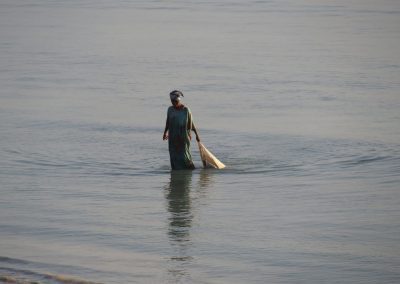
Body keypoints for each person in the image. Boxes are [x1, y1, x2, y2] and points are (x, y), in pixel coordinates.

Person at [163, 90, 200, 170]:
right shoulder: (170, 110)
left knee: (185, 156)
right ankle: (176, 175)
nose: (173, 103)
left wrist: (197, 135)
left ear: (179, 100)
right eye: (172, 101)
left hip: (183, 138)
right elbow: (168, 122)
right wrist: (165, 132)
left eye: (175, 101)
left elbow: (192, 124)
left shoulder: (186, 110)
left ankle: (190, 171)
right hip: (173, 138)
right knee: (174, 156)